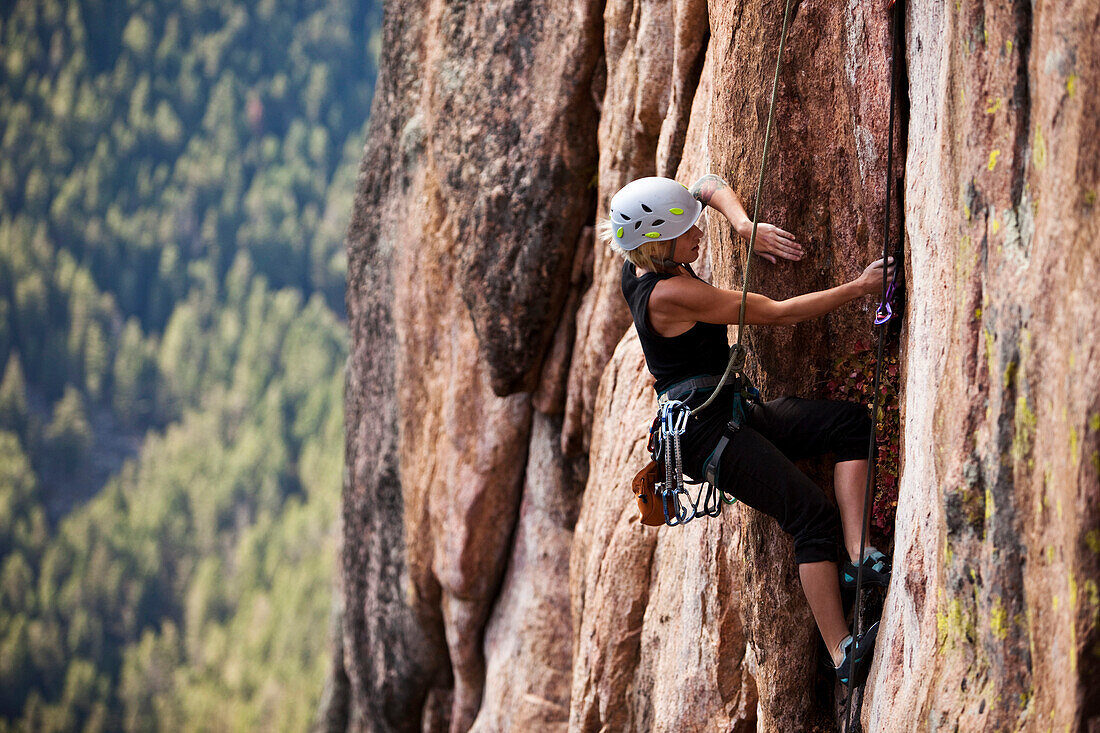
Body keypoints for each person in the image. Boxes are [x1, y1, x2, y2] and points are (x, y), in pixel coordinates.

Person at [599, 174, 893, 685]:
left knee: (848, 425)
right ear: (659, 242)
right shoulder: (675, 293)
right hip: (704, 434)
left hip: (728, 411)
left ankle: (858, 557)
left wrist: (744, 225)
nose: (699, 233)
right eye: (689, 230)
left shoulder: (636, 265)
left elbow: (705, 184)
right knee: (808, 516)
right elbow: (777, 313)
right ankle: (842, 652)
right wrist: (861, 287)